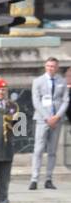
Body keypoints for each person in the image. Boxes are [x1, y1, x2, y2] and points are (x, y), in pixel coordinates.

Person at [29, 57, 67, 191]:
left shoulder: (62, 81)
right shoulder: (38, 81)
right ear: (45, 67)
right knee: (38, 149)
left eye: (53, 66)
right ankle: (34, 178)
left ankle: (48, 179)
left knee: (52, 151)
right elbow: (36, 101)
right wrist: (47, 117)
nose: (50, 68)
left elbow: (65, 100)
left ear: (57, 67)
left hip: (56, 120)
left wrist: (57, 116)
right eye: (48, 66)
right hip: (42, 119)